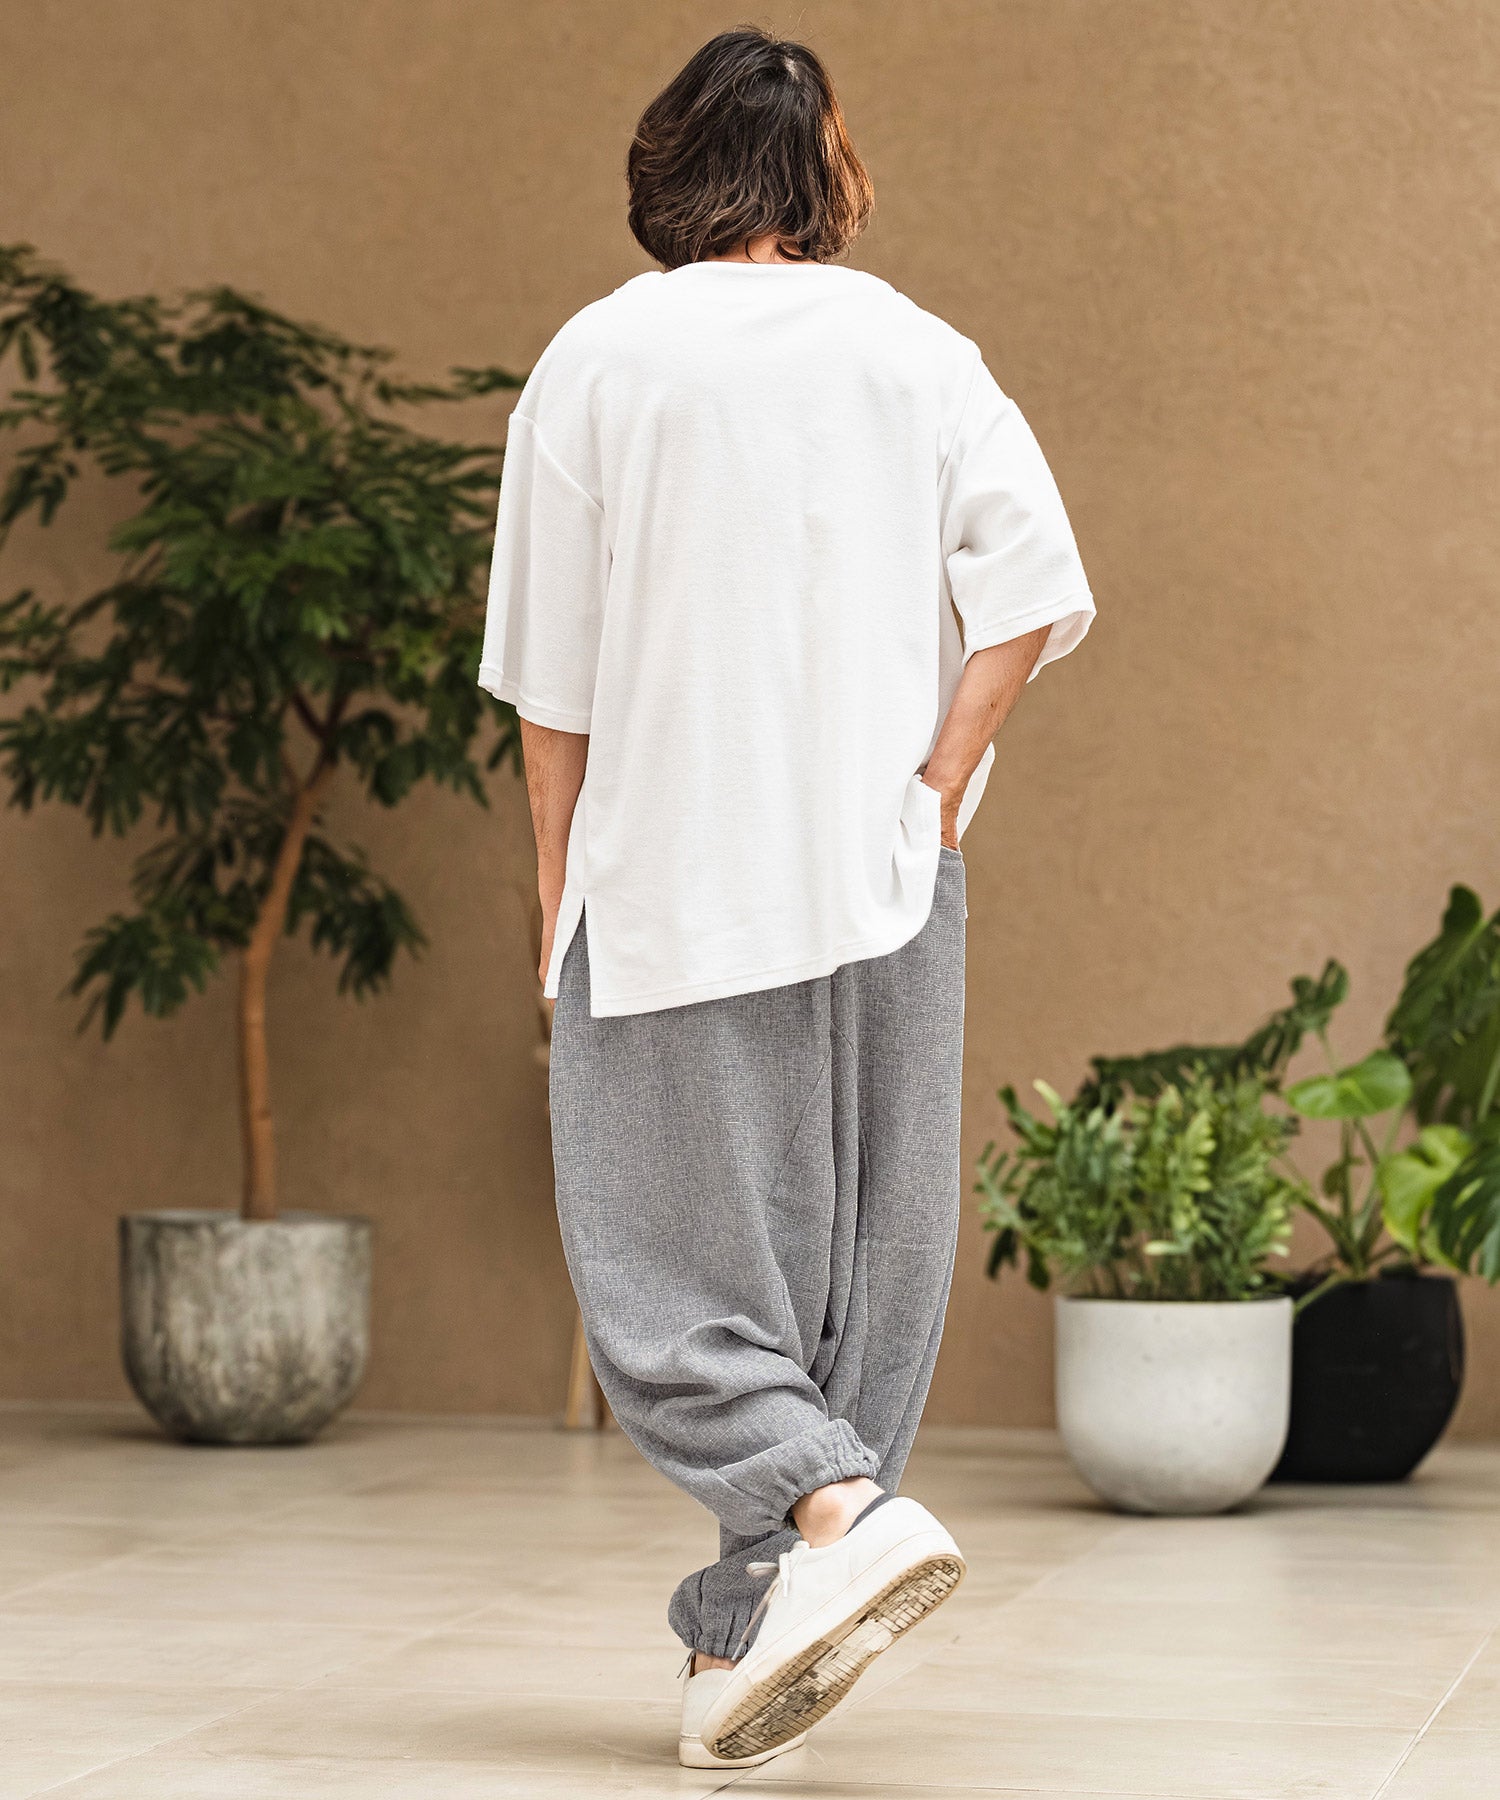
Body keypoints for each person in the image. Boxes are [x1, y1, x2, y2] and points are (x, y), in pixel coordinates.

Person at [480, 25, 1094, 1770]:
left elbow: (552, 683)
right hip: (888, 879)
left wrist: (556, 884)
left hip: (677, 876)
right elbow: (1032, 591)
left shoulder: (603, 356)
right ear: (826, 173)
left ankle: (832, 1516)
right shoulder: (918, 351)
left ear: (670, 161)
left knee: (657, 1271)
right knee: (859, 1276)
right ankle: (750, 1621)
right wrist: (936, 791)